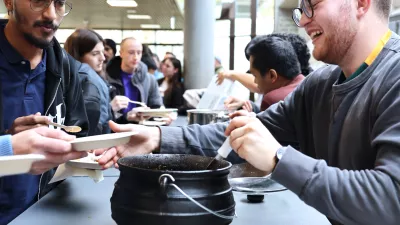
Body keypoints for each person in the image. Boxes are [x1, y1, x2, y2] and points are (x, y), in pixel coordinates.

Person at [97, 0, 400, 224]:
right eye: (300, 9)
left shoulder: (394, 76)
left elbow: (389, 199)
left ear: (361, 3)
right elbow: (241, 132)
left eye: (313, 4)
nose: (303, 21)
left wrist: (279, 158)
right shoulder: (320, 84)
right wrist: (157, 137)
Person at [0, 0, 89, 223]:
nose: (51, 14)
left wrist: (81, 152)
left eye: (59, 3)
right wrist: (7, 146)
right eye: (38, 1)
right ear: (9, 2)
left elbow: (79, 134)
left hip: (44, 213)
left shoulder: (65, 67)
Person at [223, 36, 305, 112]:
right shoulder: (306, 84)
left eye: (255, 76)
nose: (255, 81)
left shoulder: (272, 100)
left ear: (272, 75)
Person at [64, 28, 112, 134]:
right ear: (77, 55)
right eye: (95, 54)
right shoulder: (89, 78)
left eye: (102, 52)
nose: (103, 58)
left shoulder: (68, 78)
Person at [106, 37, 163, 124]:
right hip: (115, 129)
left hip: (142, 130)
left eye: (139, 53)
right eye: (131, 52)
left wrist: (164, 117)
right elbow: (100, 114)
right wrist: (111, 108)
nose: (136, 57)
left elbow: (156, 108)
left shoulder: (150, 79)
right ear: (121, 53)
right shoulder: (106, 78)